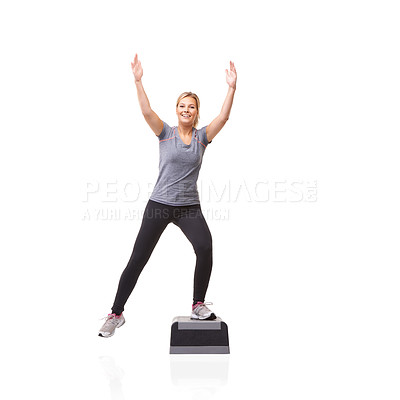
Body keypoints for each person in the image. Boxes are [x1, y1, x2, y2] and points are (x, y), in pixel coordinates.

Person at [99, 54, 237, 338]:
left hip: (188, 207)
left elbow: (223, 117)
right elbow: (147, 111)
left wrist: (231, 88)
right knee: (138, 258)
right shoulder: (165, 133)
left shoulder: (202, 137)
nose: (186, 110)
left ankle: (198, 303)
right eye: (182, 106)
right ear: (176, 110)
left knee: (205, 247)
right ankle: (116, 313)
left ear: (197, 112)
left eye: (191, 107)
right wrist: (138, 81)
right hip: (160, 205)